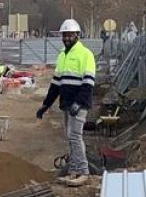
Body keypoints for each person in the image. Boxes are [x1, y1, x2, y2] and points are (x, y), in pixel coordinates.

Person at [37, 19, 96, 188]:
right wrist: (45, 105)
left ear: (77, 35)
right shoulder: (62, 55)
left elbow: (88, 83)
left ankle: (83, 172)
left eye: (70, 35)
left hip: (79, 104)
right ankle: (73, 171)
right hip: (66, 103)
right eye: (65, 35)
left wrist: (79, 103)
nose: (67, 38)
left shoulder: (86, 54)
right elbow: (56, 84)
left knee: (76, 137)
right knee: (70, 138)